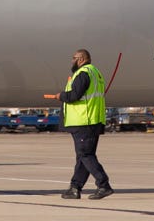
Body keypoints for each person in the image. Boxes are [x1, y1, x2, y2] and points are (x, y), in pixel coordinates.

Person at [44, 49, 114, 200]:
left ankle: (104, 185)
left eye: (74, 58)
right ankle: (75, 188)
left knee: (85, 155)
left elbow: (74, 96)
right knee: (83, 157)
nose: (72, 61)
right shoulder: (95, 72)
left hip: (83, 122)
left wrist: (60, 96)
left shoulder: (83, 73)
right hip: (92, 121)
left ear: (81, 59)